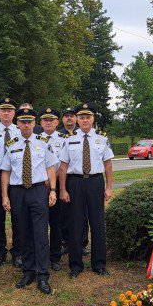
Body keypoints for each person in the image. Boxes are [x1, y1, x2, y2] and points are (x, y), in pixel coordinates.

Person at [0, 108, 59, 294]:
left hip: (38, 191)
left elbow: (50, 168)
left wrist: (53, 190)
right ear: (18, 123)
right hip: (18, 193)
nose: (26, 125)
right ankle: (28, 271)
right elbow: (5, 172)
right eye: (22, 121)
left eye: (29, 121)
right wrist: (5, 195)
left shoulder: (43, 142)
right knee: (22, 232)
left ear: (34, 124)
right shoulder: (11, 144)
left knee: (40, 233)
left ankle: (42, 274)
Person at [58, 103, 113, 278]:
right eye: (81, 117)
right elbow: (63, 166)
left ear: (92, 119)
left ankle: (99, 265)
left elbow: (108, 164)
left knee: (97, 223)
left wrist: (109, 187)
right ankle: (75, 266)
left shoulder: (102, 138)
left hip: (95, 182)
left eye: (88, 117)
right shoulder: (69, 139)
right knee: (75, 224)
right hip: (75, 183)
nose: (84, 120)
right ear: (77, 120)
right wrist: (62, 189)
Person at [0, 98, 22, 268]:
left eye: (9, 110)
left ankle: (18, 250)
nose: (6, 113)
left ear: (14, 114)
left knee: (18, 214)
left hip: (16, 177)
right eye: (3, 110)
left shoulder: (20, 131)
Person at [39, 108, 68, 271]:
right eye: (45, 120)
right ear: (41, 122)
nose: (48, 122)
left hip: (55, 186)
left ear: (57, 122)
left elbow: (64, 163)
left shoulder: (64, 139)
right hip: (38, 187)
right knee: (39, 223)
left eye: (52, 120)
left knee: (56, 223)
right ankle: (40, 254)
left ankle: (55, 257)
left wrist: (52, 181)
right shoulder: (35, 139)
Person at [56, 107, 87, 256]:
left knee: (82, 211)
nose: (69, 119)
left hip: (77, 177)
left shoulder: (82, 134)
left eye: (72, 116)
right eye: (66, 116)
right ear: (62, 120)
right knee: (65, 212)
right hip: (61, 177)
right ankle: (66, 241)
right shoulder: (57, 135)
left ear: (76, 119)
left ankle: (82, 242)